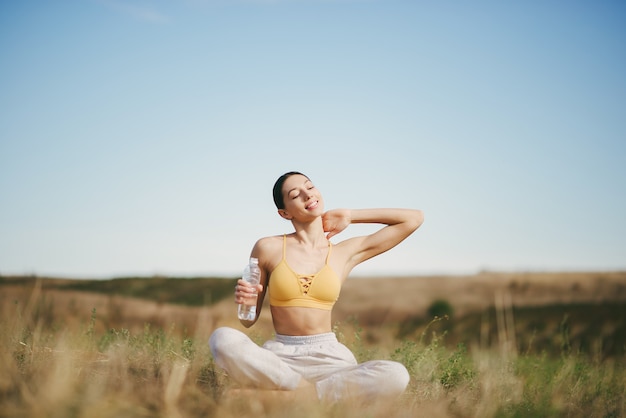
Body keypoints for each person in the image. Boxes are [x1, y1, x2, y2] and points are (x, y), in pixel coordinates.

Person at [209, 171, 424, 404]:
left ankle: (284, 400)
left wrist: (350, 216)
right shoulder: (267, 247)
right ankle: (311, 396)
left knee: (395, 375)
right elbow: (247, 321)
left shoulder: (344, 253)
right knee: (222, 339)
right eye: (295, 194)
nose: (307, 195)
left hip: (331, 359)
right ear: (284, 213)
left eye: (310, 187)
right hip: (281, 358)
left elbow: (413, 219)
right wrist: (245, 300)